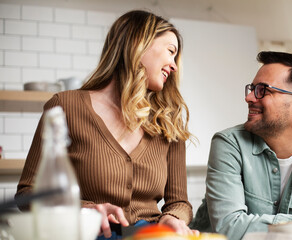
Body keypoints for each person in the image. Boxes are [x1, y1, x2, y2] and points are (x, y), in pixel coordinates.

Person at [16, 10, 196, 238]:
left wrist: (172, 218)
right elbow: (27, 193)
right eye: (171, 52)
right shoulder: (64, 106)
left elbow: (178, 202)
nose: (174, 65)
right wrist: (87, 211)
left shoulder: (168, 121)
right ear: (138, 44)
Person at [190, 51, 292, 240]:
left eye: (262, 90)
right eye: (252, 88)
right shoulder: (229, 143)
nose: (249, 97)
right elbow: (229, 227)